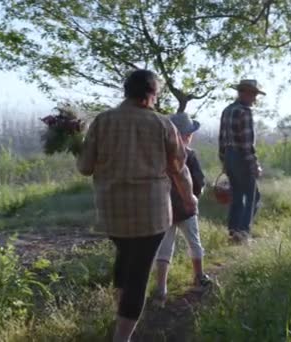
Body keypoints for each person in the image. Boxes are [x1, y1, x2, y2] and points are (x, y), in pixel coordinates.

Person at [76, 69, 197, 342]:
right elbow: (179, 168)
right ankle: (122, 336)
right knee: (139, 274)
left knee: (126, 257)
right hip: (151, 214)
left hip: (112, 212)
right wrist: (188, 198)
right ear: (150, 95)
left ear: (126, 91)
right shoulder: (163, 124)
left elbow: (85, 168)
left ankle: (122, 313)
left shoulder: (102, 122)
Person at [152, 112, 212, 307]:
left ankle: (161, 288)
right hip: (187, 209)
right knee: (194, 243)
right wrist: (196, 194)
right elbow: (199, 181)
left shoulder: (160, 157)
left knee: (164, 249)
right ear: (187, 136)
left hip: (164, 209)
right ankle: (199, 276)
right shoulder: (190, 155)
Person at [218, 79, 265, 244]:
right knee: (254, 196)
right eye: (253, 94)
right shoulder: (244, 112)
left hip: (229, 156)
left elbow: (222, 139)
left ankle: (233, 231)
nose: (254, 99)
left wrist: (224, 160)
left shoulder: (227, 110)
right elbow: (246, 143)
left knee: (237, 195)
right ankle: (243, 232)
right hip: (241, 156)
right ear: (244, 93)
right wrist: (255, 165)